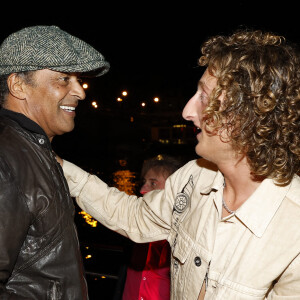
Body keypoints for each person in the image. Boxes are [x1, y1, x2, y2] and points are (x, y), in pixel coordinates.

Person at [60, 29, 300, 299]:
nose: (187, 111)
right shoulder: (194, 177)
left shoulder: (294, 231)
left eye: (204, 98)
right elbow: (135, 217)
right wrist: (60, 168)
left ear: (246, 114)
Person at [0, 25, 109, 299]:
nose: (81, 92)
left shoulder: (34, 151)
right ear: (18, 85)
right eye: (63, 79)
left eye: (78, 79)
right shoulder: (7, 161)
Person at [122, 154, 182, 300]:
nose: (142, 189)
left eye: (153, 183)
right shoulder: (135, 224)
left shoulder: (184, 233)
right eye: (144, 182)